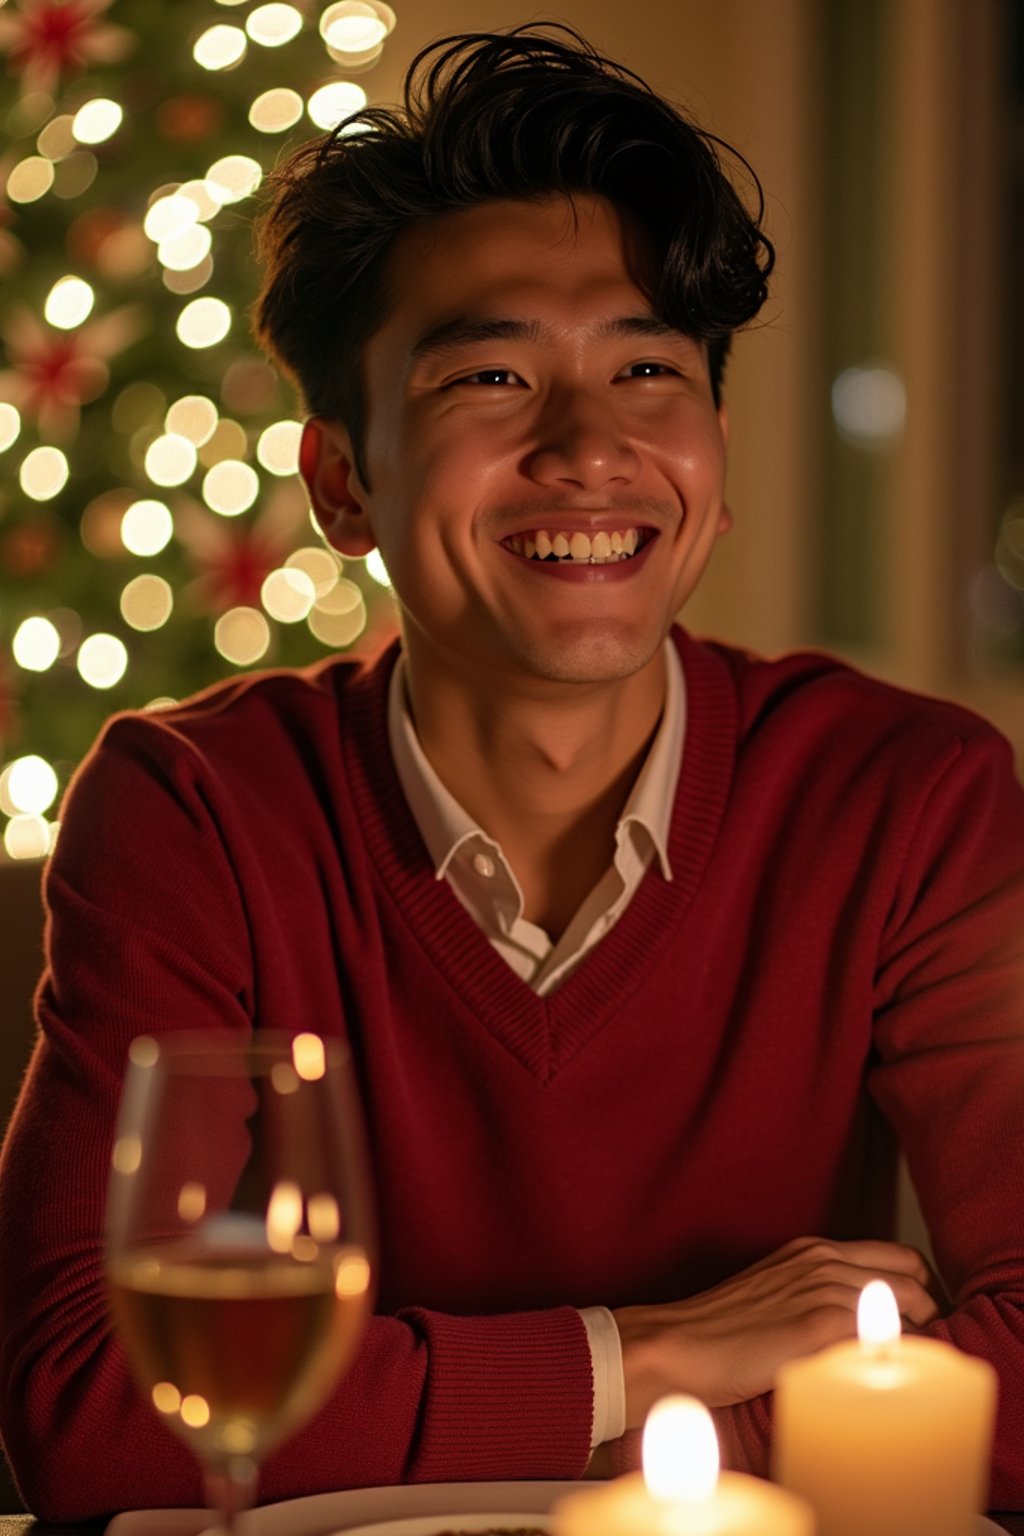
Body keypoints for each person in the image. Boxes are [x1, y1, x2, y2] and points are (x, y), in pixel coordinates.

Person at [2, 22, 1024, 1523]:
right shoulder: (195, 809)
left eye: (648, 371)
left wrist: (547, 1432)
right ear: (344, 484)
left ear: (717, 458)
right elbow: (82, 1405)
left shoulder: (905, 793)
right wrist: (647, 1358)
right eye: (488, 374)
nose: (589, 448)